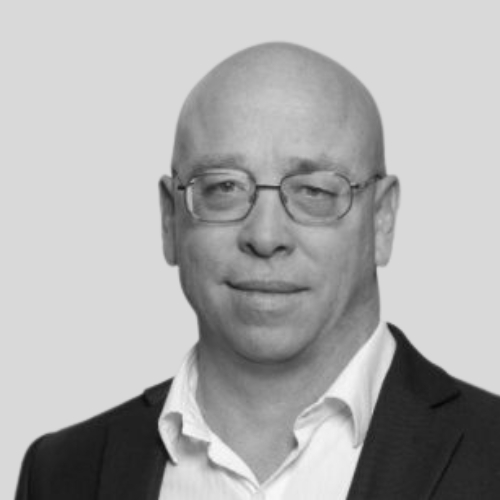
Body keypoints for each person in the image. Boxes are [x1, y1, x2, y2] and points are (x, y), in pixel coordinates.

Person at [15, 42, 500, 500]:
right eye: (223, 187)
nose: (265, 236)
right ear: (170, 220)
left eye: (314, 191)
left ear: (382, 219)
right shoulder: (60, 474)